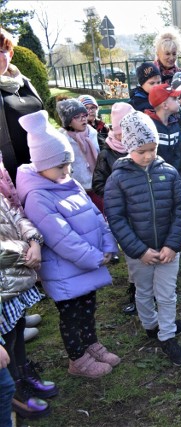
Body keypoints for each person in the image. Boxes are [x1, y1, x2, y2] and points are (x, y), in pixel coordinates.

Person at [16, 110, 120, 379]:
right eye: (60, 166)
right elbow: (61, 238)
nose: (66, 171)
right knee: (72, 316)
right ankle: (78, 358)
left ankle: (91, 344)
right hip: (67, 271)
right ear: (41, 163)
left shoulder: (66, 182)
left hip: (87, 264)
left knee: (88, 309)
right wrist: (95, 257)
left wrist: (108, 243)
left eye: (68, 165)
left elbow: (96, 215)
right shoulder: (38, 196)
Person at [104, 111, 181, 366]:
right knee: (143, 291)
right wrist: (139, 250)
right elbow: (116, 219)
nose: (149, 155)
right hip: (139, 254)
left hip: (167, 250)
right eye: (142, 150)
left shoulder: (170, 173)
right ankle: (150, 325)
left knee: (166, 294)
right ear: (129, 147)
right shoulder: (117, 179)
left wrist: (172, 245)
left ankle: (167, 335)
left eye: (153, 148)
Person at [0, 152, 56, 421]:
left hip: (14, 281)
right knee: (7, 342)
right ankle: (14, 395)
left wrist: (34, 240)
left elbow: (15, 216)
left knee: (18, 329)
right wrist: (25, 250)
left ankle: (24, 374)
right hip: (4, 284)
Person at [91, 102, 137, 315]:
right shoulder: (107, 154)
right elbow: (98, 183)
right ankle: (135, 292)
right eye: (119, 134)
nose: (122, 139)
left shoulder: (142, 148)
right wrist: (117, 194)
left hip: (144, 211)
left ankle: (152, 290)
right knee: (132, 255)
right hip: (123, 213)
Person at [0, 27, 45, 183]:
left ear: (10, 54)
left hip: (44, 168)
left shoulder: (25, 82)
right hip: (10, 176)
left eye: (0, 51)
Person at [56, 99, 102, 211]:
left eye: (84, 115)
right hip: (76, 187)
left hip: (96, 183)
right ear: (68, 122)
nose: (83, 119)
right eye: (77, 117)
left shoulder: (92, 134)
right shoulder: (62, 140)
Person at [145, 83, 181, 169]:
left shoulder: (174, 124)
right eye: (174, 99)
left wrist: (172, 171)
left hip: (172, 172)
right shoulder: (149, 126)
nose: (178, 101)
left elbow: (177, 153)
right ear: (165, 105)